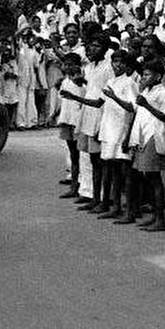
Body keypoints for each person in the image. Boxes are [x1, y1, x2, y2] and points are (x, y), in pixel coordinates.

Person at [124, 58, 165, 231]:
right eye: (143, 75)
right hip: (142, 136)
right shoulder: (146, 90)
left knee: (154, 179)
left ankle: (160, 219)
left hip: (154, 136)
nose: (143, 78)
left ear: (158, 76)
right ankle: (155, 216)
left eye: (147, 75)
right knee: (147, 178)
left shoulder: (163, 93)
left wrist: (147, 105)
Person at [73, 34, 112, 212]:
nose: (91, 50)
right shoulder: (90, 67)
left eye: (96, 46)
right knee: (91, 159)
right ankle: (94, 197)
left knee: (100, 161)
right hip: (88, 116)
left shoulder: (107, 68)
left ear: (104, 49)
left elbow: (104, 97)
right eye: (90, 46)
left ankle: (104, 198)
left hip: (100, 116)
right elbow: (92, 88)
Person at [99, 49, 139, 219]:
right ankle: (115, 206)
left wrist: (114, 97)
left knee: (126, 173)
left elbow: (132, 107)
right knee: (114, 170)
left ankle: (129, 210)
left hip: (123, 131)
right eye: (115, 61)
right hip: (109, 130)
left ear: (127, 65)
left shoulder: (129, 83)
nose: (118, 65)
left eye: (121, 62)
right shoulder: (110, 81)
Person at [56, 53, 85, 199]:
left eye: (70, 64)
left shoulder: (80, 80)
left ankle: (81, 185)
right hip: (67, 119)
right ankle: (74, 185)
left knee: (80, 155)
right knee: (73, 154)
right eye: (65, 64)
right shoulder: (65, 80)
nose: (66, 67)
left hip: (77, 121)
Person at [15, 31, 43, 129]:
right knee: (22, 99)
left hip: (31, 76)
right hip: (22, 75)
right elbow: (17, 40)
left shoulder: (34, 51)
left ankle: (32, 122)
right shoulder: (22, 48)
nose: (32, 41)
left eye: (34, 39)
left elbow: (36, 65)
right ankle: (21, 123)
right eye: (31, 38)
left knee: (31, 99)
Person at [0, 41, 20, 128]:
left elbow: (15, 75)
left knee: (12, 104)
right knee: (3, 105)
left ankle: (10, 123)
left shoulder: (13, 62)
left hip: (11, 86)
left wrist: (9, 74)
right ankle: (4, 123)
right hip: (2, 87)